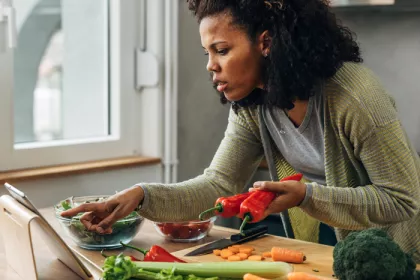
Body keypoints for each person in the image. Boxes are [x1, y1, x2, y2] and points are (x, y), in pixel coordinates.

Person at [62, 0, 420, 262]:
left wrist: (306, 196)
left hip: (403, 249)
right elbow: (218, 185)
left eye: (221, 50)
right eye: (208, 52)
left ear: (266, 43)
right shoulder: (255, 103)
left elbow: (402, 199)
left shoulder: (355, 97)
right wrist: (139, 196)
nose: (211, 66)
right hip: (342, 244)